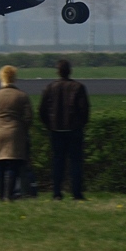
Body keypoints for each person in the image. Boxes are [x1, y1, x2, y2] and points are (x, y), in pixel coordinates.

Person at [39, 58, 90, 201]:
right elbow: (84, 110)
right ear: (70, 71)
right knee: (75, 162)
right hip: (74, 130)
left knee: (57, 162)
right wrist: (80, 124)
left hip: (56, 130)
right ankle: (77, 193)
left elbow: (42, 110)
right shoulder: (78, 87)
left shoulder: (49, 88)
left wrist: (49, 125)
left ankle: (56, 193)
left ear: (57, 72)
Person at [0, 65, 33, 202]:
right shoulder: (22, 96)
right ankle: (9, 194)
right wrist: (22, 129)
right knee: (12, 165)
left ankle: (0, 196)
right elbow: (29, 117)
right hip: (16, 133)